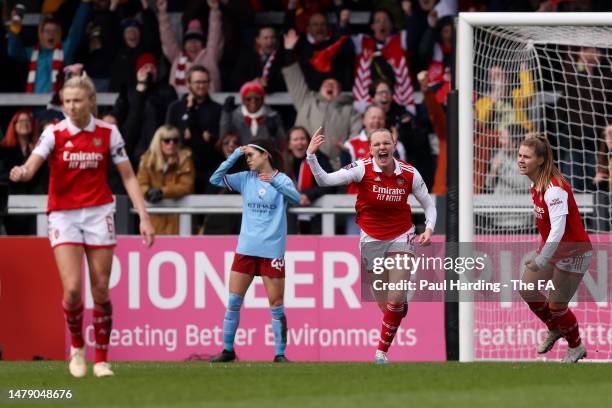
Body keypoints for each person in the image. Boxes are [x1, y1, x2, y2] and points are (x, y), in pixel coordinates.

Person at [9, 74, 155, 377]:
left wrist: (144, 216)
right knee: (73, 290)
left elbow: (128, 175)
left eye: (77, 101)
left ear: (91, 102)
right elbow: (33, 163)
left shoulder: (108, 132)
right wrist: (22, 172)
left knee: (101, 289)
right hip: (63, 214)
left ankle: (101, 359)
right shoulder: (53, 133)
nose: (72, 107)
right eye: (67, 101)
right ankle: (77, 348)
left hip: (99, 212)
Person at [306, 127, 436, 364]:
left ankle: (380, 354)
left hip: (401, 236)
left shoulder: (409, 173)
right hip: (371, 240)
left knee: (395, 299)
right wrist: (311, 156)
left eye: (386, 143)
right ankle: (397, 309)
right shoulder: (361, 168)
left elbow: (429, 205)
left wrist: (428, 228)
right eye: (377, 144)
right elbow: (324, 180)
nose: (382, 147)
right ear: (370, 149)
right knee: (386, 305)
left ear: (394, 146)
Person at [208, 138, 300, 363]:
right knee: (233, 301)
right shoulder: (245, 179)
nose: (247, 160)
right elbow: (215, 179)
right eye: (246, 156)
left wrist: (275, 183)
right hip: (246, 248)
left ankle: (280, 354)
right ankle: (228, 350)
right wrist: (234, 155)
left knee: (276, 305)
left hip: (272, 251)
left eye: (251, 155)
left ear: (265, 155)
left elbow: (296, 199)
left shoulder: (282, 180)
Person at [517, 135, 592, 363]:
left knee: (557, 305)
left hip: (574, 252)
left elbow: (558, 231)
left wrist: (541, 259)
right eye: (519, 155)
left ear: (540, 160)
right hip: (553, 249)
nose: (520, 160)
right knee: (527, 289)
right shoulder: (535, 183)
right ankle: (554, 327)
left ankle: (576, 347)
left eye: (526, 157)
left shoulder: (554, 189)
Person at [137, 125, 195, 235]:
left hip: (178, 220)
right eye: (167, 140)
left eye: (175, 140)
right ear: (158, 142)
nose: (171, 144)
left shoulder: (185, 159)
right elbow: (140, 184)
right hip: (154, 220)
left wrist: (162, 192)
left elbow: (186, 186)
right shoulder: (147, 160)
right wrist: (147, 193)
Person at [0, 110, 48, 235]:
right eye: (20, 121)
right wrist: (15, 174)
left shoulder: (41, 149)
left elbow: (45, 175)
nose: (24, 123)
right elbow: (2, 174)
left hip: (36, 200)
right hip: (12, 200)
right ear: (13, 125)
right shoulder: (4, 149)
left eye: (27, 121)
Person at [284, 126, 335, 234]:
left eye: (302, 139)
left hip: (316, 216)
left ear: (308, 142)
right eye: (295, 139)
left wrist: (309, 194)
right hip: (290, 217)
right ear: (289, 144)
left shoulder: (319, 158)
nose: (300, 143)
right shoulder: (283, 162)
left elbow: (332, 184)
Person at [220, 80, 286, 148]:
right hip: (240, 157)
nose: (253, 101)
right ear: (243, 100)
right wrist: (226, 116)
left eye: (257, 98)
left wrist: (273, 137)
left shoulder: (273, 116)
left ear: (263, 99)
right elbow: (224, 139)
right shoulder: (234, 116)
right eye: (248, 99)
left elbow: (282, 143)